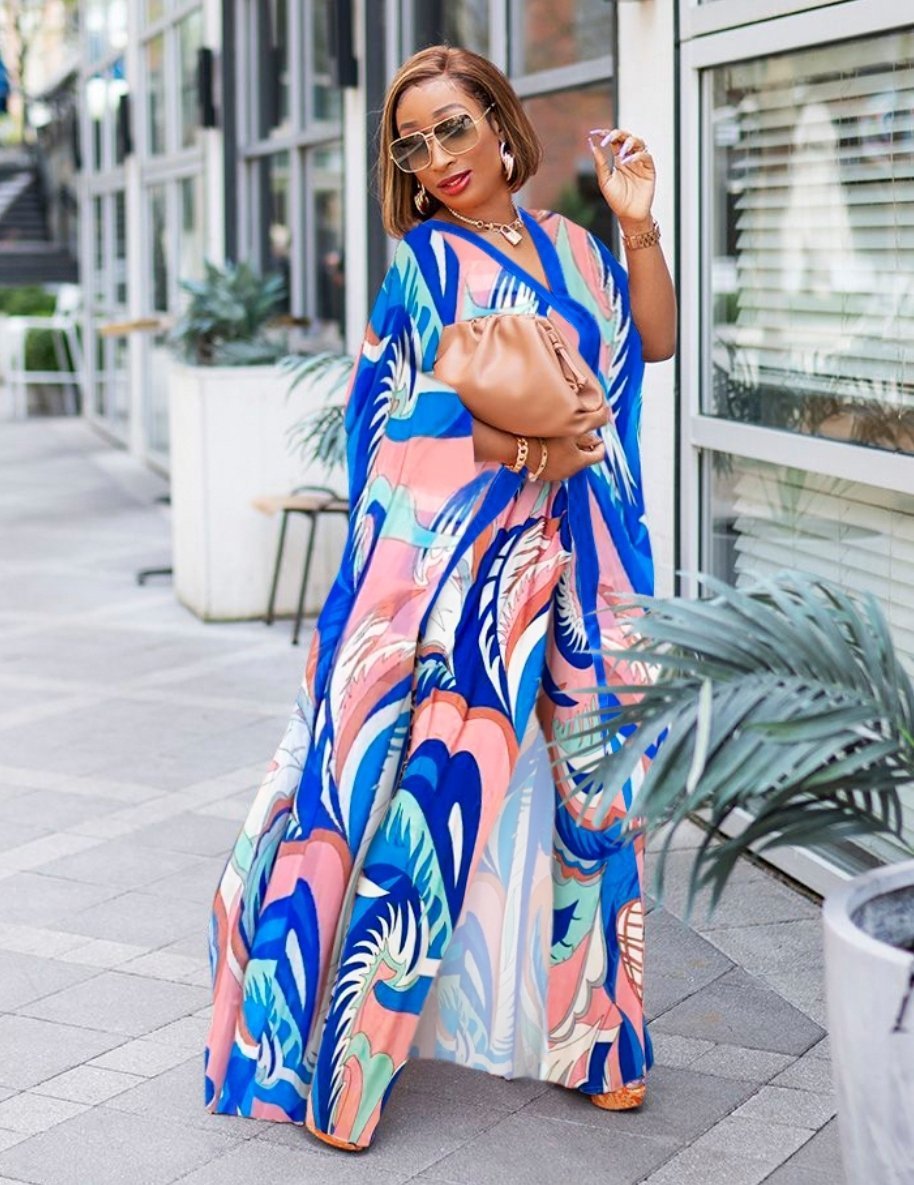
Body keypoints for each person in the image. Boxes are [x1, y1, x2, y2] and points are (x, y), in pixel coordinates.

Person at [204, 44, 677, 1153]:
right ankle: (347, 1074)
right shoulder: (422, 267)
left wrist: (637, 226)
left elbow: (647, 343)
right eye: (411, 144)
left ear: (503, 125)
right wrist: (523, 448)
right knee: (429, 809)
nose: (436, 159)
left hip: (596, 557)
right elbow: (392, 426)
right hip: (477, 571)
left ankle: (599, 1040)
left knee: (600, 805)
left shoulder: (573, 246)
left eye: (453, 127)